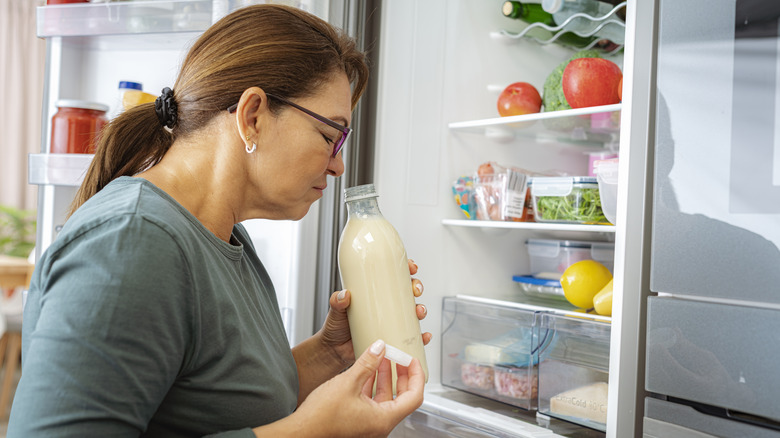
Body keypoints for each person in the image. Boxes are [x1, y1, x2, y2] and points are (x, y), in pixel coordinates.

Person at [8, 4, 430, 437]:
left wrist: (332, 353)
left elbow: (219, 405)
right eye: (329, 137)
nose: (338, 165)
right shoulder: (131, 243)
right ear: (253, 116)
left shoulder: (228, 239)